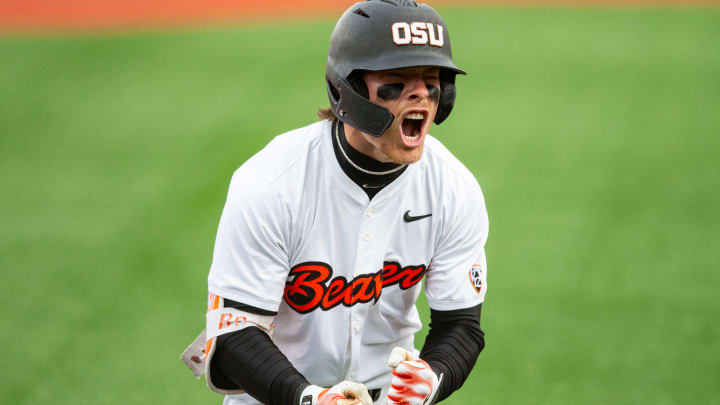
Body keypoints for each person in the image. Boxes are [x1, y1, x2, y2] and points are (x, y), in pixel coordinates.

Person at [202, 1, 488, 404]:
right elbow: (234, 335)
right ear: (346, 89)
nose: (421, 91)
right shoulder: (272, 183)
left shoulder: (452, 187)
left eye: (430, 78)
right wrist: (309, 398)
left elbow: (461, 324)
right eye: (397, 78)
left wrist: (432, 379)